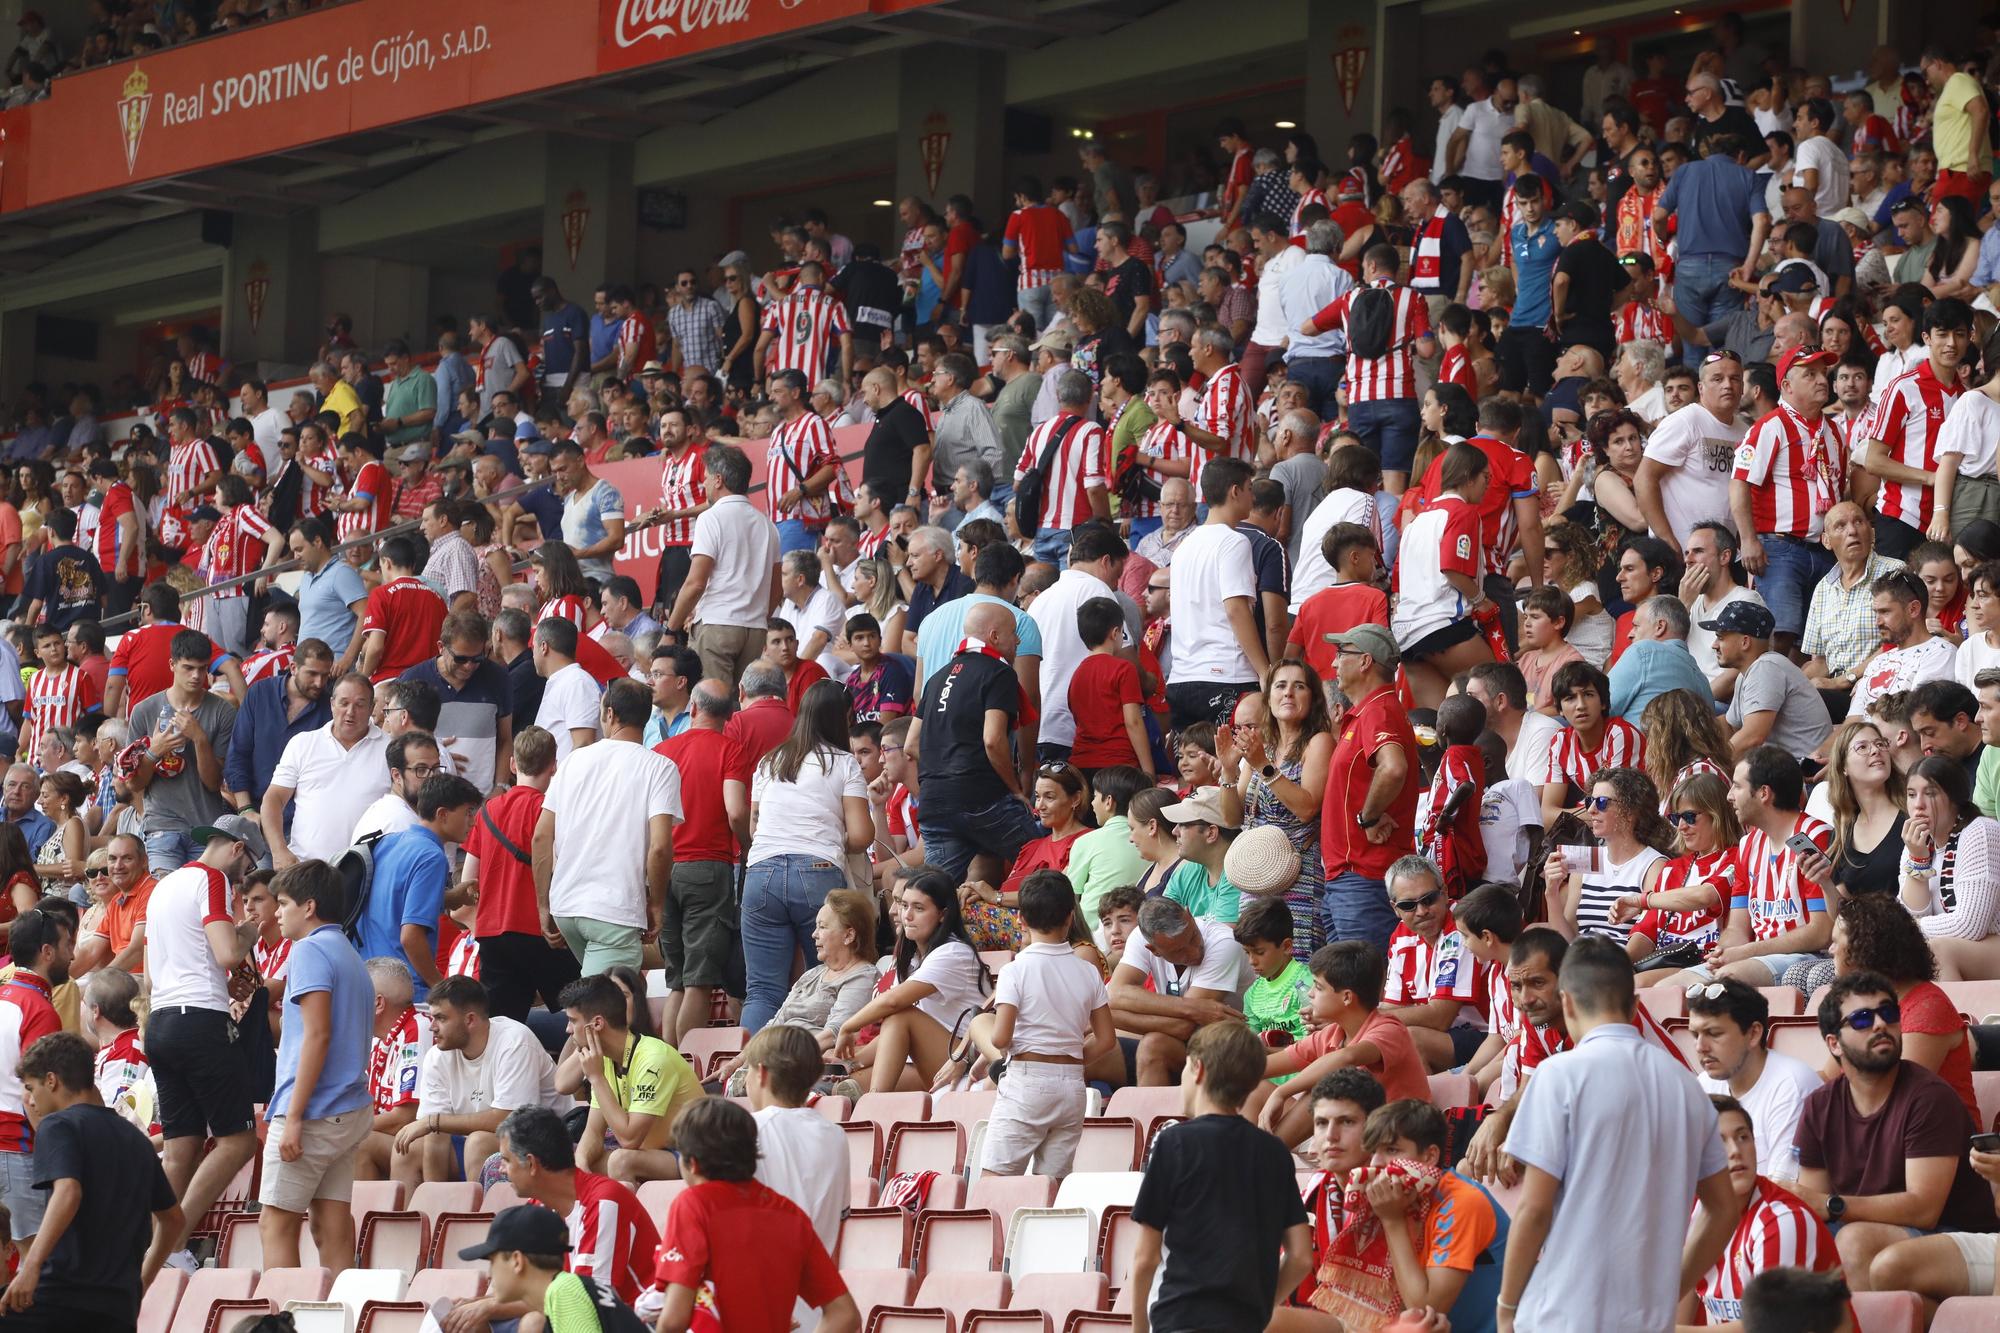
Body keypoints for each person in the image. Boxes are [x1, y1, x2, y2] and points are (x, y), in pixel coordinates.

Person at [1496, 937, 1739, 1333]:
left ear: (1567, 1002)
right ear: (1634, 1007)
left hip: (1561, 1313)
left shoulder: (1559, 1075)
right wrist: (1669, 1289)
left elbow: (1534, 1210)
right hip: (1647, 1318)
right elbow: (1724, 1209)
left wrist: (1506, 1306)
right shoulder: (1687, 1085)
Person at [1791, 970, 1998, 1288]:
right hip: (1876, 1231)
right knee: (1793, 1242)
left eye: (1888, 1013)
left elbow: (1925, 1209)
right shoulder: (1820, 1106)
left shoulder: (1929, 1096)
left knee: (1855, 1241)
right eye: (1862, 1019)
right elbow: (1813, 1204)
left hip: (1954, 1233)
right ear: (1834, 1044)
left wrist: (1835, 1205)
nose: (1879, 1025)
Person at [1128, 1020, 1313, 1333]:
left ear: (1198, 1070)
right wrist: (1261, 1310)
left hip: (1179, 1318)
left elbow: (1145, 1257)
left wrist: (1137, 1329)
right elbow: (1300, 1258)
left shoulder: (1173, 1142)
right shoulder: (1274, 1153)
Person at [4, 1031, 180, 1333]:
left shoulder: (58, 1126)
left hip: (61, 1299)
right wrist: (143, 1282)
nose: (31, 1101)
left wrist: (29, 1268)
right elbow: (173, 1219)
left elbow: (68, 1192)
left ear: (51, 1080)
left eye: (31, 1089)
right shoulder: (136, 1140)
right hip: (118, 1310)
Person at [142, 826, 258, 1269]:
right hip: (200, 1020)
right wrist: (248, 932)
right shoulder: (212, 878)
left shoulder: (161, 887)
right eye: (244, 871)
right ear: (237, 849)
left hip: (162, 1020)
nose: (242, 884)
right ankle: (170, 1246)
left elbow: (151, 978)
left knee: (180, 1148)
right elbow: (228, 953)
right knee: (239, 1141)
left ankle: (159, 1256)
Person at [652, 1098, 861, 1333]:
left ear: (692, 1163)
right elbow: (845, 1314)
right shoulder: (790, 1214)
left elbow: (673, 1321)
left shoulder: (693, 1204)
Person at [257, 859, 373, 1271]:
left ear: (308, 907)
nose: (275, 913)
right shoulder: (349, 952)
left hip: (314, 1112)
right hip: (348, 1107)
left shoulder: (307, 950)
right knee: (331, 1223)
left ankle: (280, 1320)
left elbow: (317, 1036)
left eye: (283, 903)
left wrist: (293, 1116)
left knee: (275, 1223)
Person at [736, 680, 870, 1032]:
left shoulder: (771, 761)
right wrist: (831, 837)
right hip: (818, 872)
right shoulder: (844, 763)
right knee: (832, 978)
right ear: (842, 719)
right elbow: (860, 835)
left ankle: (747, 1075)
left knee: (762, 990)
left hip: (761, 873)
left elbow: (754, 827)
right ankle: (820, 1073)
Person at [535, 679, 681, 978]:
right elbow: (660, 847)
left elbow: (541, 836)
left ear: (610, 714)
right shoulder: (659, 767)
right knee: (603, 1011)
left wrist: (543, 904)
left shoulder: (573, 760)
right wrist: (656, 905)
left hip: (567, 904)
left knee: (613, 1003)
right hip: (615, 909)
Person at [974, 872, 1114, 1176]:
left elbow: (1000, 1038)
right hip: (1072, 1086)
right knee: (1051, 1189)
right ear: (1069, 916)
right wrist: (1069, 1059)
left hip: (1027, 1082)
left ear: (1021, 920)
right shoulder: (1089, 971)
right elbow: (1106, 1040)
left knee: (994, 1182)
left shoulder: (1014, 970)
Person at [1683, 1095, 1843, 1327]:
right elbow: (1674, 1308)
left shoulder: (1782, 1220)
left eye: (1743, 1137)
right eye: (1718, 1143)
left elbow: (1773, 1327)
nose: (1735, 1150)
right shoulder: (1696, 1212)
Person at [1249, 941, 1430, 1144]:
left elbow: (1347, 1057)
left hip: (1396, 1139)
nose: (1310, 993)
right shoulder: (1332, 1033)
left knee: (1326, 1089)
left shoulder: (1389, 1029)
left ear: (1346, 997)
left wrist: (1282, 1092)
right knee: (1249, 1087)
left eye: (1318, 987)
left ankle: (1264, 1159)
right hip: (1348, 1130)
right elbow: (1260, 1068)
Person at [908, 602, 1038, 881]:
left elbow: (911, 744)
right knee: (1042, 865)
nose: (1017, 640)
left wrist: (944, 772)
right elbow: (992, 740)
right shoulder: (998, 672)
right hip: (983, 798)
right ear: (994, 636)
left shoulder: (937, 678)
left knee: (937, 894)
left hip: (934, 804)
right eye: (1013, 633)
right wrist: (1015, 789)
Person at [400, 976, 563, 1185]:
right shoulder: (437, 1055)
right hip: (480, 1144)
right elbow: (433, 1129)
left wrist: (433, 1123)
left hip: (545, 1144)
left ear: (470, 1020)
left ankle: (477, 1216)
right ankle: (434, 1212)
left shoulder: (514, 1042)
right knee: (410, 1149)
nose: (432, 1027)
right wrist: (433, 1125)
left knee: (477, 1142)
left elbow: (509, 1119)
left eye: (441, 1018)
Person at [835, 868, 987, 1092]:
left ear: (943, 914)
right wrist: (849, 1063)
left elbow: (893, 1004)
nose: (906, 915)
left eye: (918, 908)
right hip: (924, 1060)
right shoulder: (913, 958)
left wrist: (847, 1027)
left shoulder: (954, 952)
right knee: (838, 1086)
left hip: (964, 1061)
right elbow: (891, 1033)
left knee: (900, 1016)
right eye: (904, 905)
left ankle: (875, 1104)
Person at [1323, 625, 1419, 950]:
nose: (1334, 663)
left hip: (1363, 878)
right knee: (1344, 990)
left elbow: (1393, 768)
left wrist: (1368, 816)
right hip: (1351, 878)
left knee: (1361, 992)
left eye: (1341, 653)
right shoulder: (1370, 711)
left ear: (1365, 661)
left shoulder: (1378, 709)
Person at [560, 974, 701, 1188]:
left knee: (621, 1160)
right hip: (653, 1155)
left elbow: (629, 1139)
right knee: (569, 1165)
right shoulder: (605, 1058)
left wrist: (596, 1078)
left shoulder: (653, 1059)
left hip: (694, 1156)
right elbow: (593, 1132)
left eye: (572, 1021)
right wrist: (580, 1164)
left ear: (596, 1024)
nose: (568, 1030)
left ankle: (627, 1221)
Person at [1862, 298, 1972, 560]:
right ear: (1927, 337)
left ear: (1970, 337)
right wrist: (1931, 477)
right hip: (1901, 516)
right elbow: (1873, 461)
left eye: (1959, 334)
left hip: (1946, 523)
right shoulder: (1903, 388)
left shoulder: (1967, 397)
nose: (1951, 343)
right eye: (1942, 334)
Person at [1166, 458, 1268, 729]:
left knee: (1191, 769)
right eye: (1249, 487)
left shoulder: (1184, 547)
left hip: (1181, 678)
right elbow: (1236, 609)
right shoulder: (1234, 541)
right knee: (1230, 769)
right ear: (1235, 491)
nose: (1253, 495)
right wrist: (1264, 670)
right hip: (1226, 675)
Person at [667, 445, 782, 687]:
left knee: (711, 704)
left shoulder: (710, 517)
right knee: (740, 704)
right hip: (755, 629)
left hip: (718, 623)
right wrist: (758, 618)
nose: (704, 484)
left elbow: (695, 582)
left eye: (706, 477)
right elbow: (777, 590)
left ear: (718, 480)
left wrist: (670, 630)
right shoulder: (767, 524)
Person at [126, 629, 237, 875]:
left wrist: (199, 738)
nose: (197, 676)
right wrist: (154, 752)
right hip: (161, 825)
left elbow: (212, 783)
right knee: (167, 903)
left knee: (203, 902)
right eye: (188, 668)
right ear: (172, 664)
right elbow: (134, 785)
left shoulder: (222, 711)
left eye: (202, 668)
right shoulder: (144, 710)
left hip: (205, 826)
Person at [1688, 979, 1824, 1179]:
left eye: (1714, 1033)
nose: (1700, 1047)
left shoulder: (1792, 1085)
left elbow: (1785, 1192)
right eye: (1695, 1034)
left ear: (1753, 1033)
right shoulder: (1705, 1084)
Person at [459, 1203, 652, 1333]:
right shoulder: (566, 1290)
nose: (490, 1274)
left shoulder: (565, 1292)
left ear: (517, 1261)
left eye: (493, 1261)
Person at [263, 672, 388, 869]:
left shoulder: (391, 750)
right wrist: (279, 850)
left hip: (368, 872)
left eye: (360, 704)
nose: (350, 712)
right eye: (343, 703)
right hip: (305, 868)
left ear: (372, 708)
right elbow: (274, 799)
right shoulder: (303, 743)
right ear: (332, 704)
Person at [1379, 855, 1489, 1073]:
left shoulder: (1462, 925)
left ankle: (1424, 1107)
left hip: (1486, 1037)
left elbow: (1440, 1017)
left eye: (1428, 899)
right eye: (1408, 905)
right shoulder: (1400, 936)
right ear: (1395, 908)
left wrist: (1363, 1017)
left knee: (1408, 1037)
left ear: (1445, 892)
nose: (1421, 911)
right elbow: (1392, 1008)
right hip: (1445, 1037)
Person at [1898, 753, 2000, 978]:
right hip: (1950, 949)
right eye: (1912, 794)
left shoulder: (1979, 831)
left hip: (1992, 944)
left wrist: (1906, 928)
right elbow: (1909, 913)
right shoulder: (1914, 845)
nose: (1919, 805)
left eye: (1931, 793)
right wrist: (1919, 860)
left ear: (1955, 798)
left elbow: (1970, 926)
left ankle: (1949, 1015)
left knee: (1937, 950)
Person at [1713, 601, 1833, 760]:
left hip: (1806, 774)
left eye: (1720, 638)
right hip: (1786, 772)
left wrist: (1712, 766)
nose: (1714, 645)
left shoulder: (1766, 667)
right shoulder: (1748, 673)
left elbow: (1752, 737)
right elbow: (1730, 726)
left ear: (1745, 642)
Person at [1847, 569, 1959, 722]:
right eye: (1876, 613)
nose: (1877, 622)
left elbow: (1914, 721)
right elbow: (1851, 724)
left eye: (1885, 612)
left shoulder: (1941, 652)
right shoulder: (1878, 661)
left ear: (1913, 609)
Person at [1607, 596, 1716, 723]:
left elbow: (1599, 708)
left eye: (1636, 626)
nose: (1630, 634)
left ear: (1660, 627)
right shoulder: (1703, 681)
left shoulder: (1643, 652)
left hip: (1641, 743)